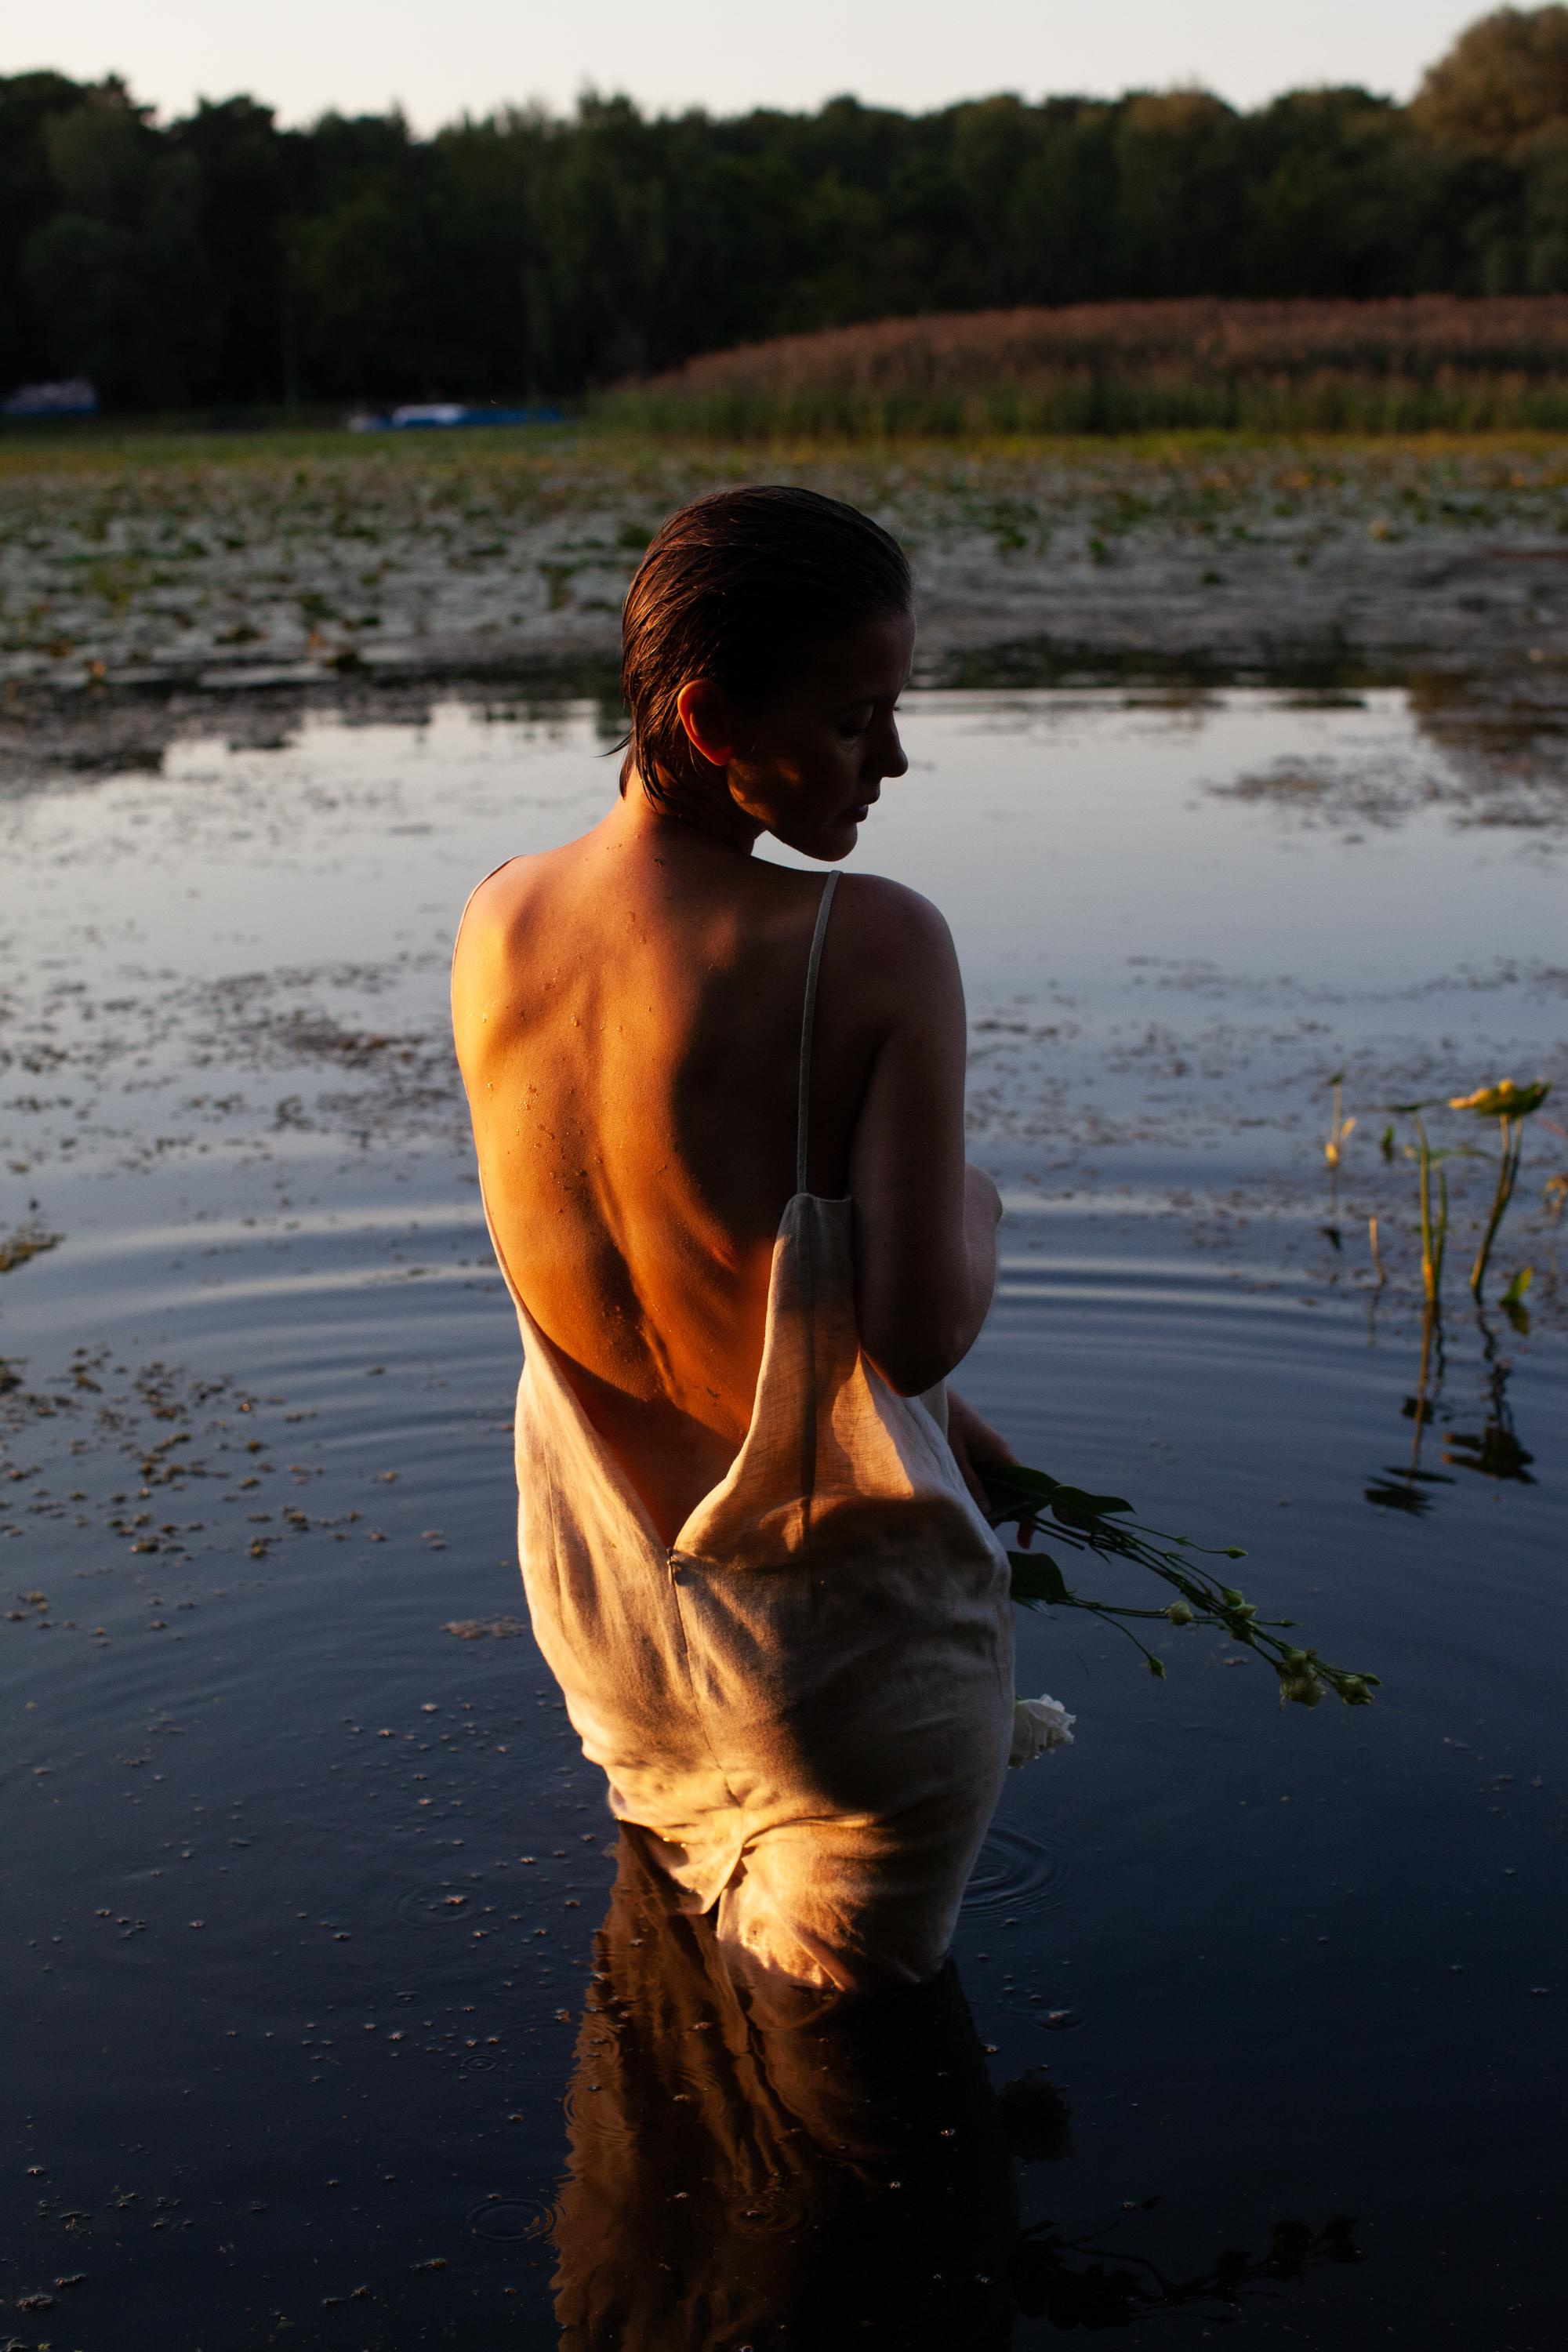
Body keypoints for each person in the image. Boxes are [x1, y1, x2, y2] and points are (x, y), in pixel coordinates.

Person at [452, 485, 1018, 2002]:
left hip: (614, 1629)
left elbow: (683, 1256)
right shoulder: (870, 940)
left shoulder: (499, 922)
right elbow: (905, 1326)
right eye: (855, 720)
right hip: (838, 1667)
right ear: (706, 719)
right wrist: (981, 1207)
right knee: (860, 2138)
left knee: (675, 2059)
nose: (893, 762)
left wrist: (954, 1443)